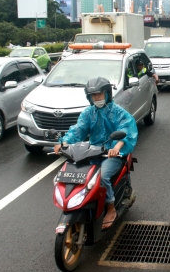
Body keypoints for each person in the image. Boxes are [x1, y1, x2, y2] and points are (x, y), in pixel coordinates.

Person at [54, 77, 138, 230]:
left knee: (103, 175)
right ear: (89, 97)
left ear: (107, 93)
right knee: (80, 175)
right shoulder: (88, 113)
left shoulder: (118, 112)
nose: (97, 97)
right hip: (92, 152)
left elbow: (126, 130)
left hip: (111, 153)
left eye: (99, 94)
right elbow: (78, 130)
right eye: (93, 95)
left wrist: (117, 147)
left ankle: (111, 207)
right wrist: (64, 143)